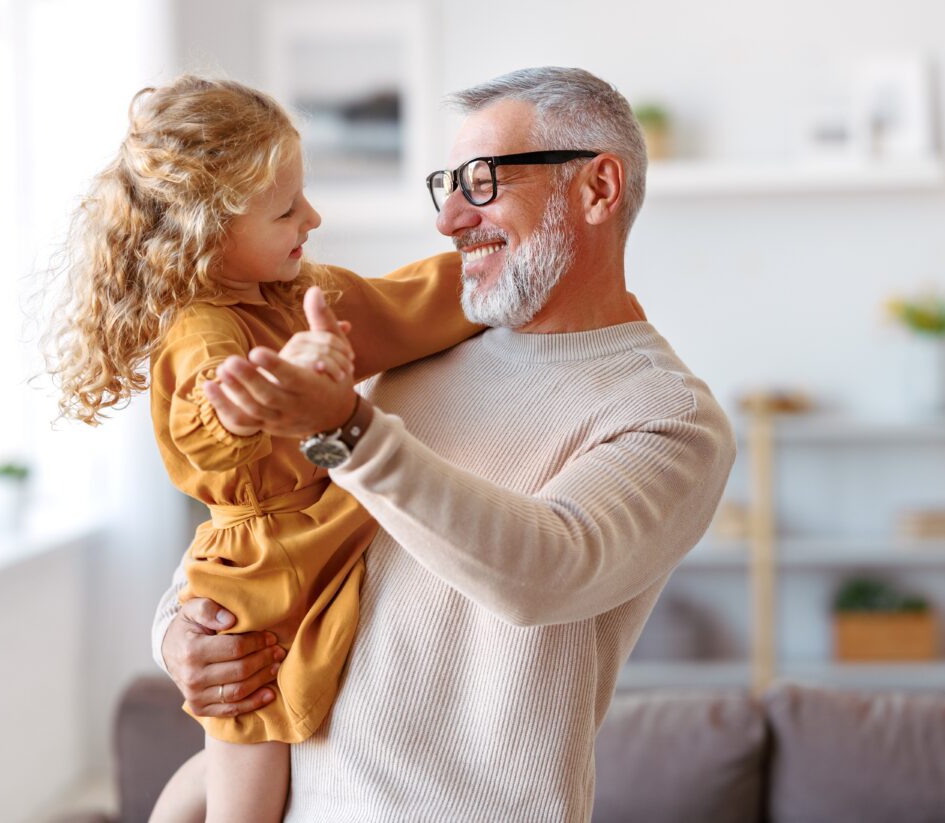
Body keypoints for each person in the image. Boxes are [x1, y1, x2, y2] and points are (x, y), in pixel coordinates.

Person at [151, 66, 738, 821]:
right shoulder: (410, 353)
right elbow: (269, 519)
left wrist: (344, 428)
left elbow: (544, 570)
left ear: (597, 189)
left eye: (485, 181)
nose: (451, 218)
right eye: (448, 184)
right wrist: (178, 632)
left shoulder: (667, 415)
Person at [43, 75, 480, 822]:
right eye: (286, 209)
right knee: (248, 766)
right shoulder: (204, 331)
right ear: (208, 232)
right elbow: (213, 428)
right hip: (259, 574)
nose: (312, 216)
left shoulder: (297, 293)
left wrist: (493, 274)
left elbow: (402, 305)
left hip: (317, 527)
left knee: (238, 769)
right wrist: (284, 385)